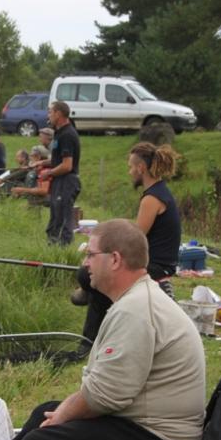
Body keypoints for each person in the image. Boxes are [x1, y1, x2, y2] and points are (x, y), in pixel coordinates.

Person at [0, 219, 205, 440]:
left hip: (162, 438)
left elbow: (104, 396)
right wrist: (62, 411)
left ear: (115, 260)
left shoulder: (136, 310)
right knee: (44, 412)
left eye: (90, 255)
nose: (85, 264)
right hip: (145, 423)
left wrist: (65, 414)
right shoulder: (135, 300)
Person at [74, 142, 182, 343]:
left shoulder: (152, 198)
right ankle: (95, 326)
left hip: (158, 266)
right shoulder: (158, 192)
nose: (130, 171)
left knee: (91, 275)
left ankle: (88, 343)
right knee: (94, 272)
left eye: (131, 167)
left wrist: (104, 246)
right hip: (158, 260)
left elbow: (135, 239)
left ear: (141, 168)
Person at [41, 101, 80, 245]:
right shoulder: (59, 133)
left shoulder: (67, 135)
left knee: (62, 221)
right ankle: (51, 251)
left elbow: (67, 165)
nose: (48, 115)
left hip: (67, 182)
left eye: (50, 112)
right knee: (55, 219)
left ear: (58, 113)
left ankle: (62, 256)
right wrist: (41, 163)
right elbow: (59, 160)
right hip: (60, 182)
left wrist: (48, 173)